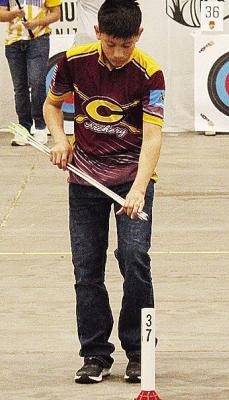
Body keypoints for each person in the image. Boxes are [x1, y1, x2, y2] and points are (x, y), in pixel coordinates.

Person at [43, 0, 165, 384]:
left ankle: (140, 351)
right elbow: (51, 105)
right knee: (86, 269)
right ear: (97, 33)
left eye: (126, 45)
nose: (117, 53)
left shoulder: (150, 73)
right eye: (111, 43)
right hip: (84, 179)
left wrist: (140, 189)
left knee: (134, 258)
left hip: (132, 178)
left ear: (139, 36)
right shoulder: (72, 61)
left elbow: (154, 136)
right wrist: (59, 138)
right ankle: (95, 354)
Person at [0, 0, 61, 146]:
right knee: (20, 88)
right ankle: (23, 128)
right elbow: (1, 14)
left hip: (38, 40)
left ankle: (40, 126)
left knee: (37, 82)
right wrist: (12, 14)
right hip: (13, 43)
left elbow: (56, 14)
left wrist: (37, 22)